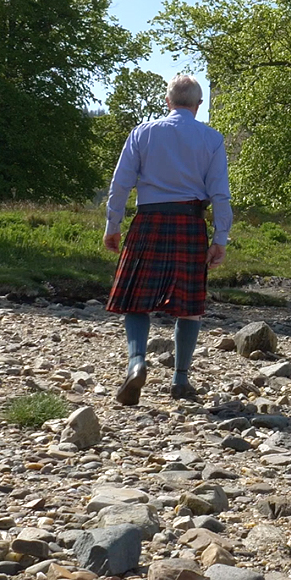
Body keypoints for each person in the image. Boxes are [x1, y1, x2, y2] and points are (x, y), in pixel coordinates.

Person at [103, 75, 232, 404]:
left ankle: (136, 364)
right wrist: (221, 238)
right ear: (198, 105)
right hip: (189, 224)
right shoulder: (212, 138)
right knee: (188, 308)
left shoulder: (143, 133)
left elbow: (120, 183)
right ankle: (180, 381)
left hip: (148, 221)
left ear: (167, 100)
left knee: (136, 300)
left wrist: (113, 224)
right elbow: (220, 193)